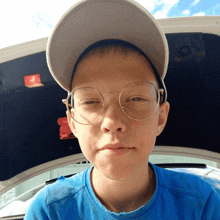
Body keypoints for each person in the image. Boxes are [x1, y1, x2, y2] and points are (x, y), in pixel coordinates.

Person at [24, 0, 220, 219]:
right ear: (72, 121)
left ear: (160, 117)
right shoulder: (50, 211)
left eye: (135, 98)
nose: (112, 122)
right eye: (90, 101)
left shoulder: (202, 203)